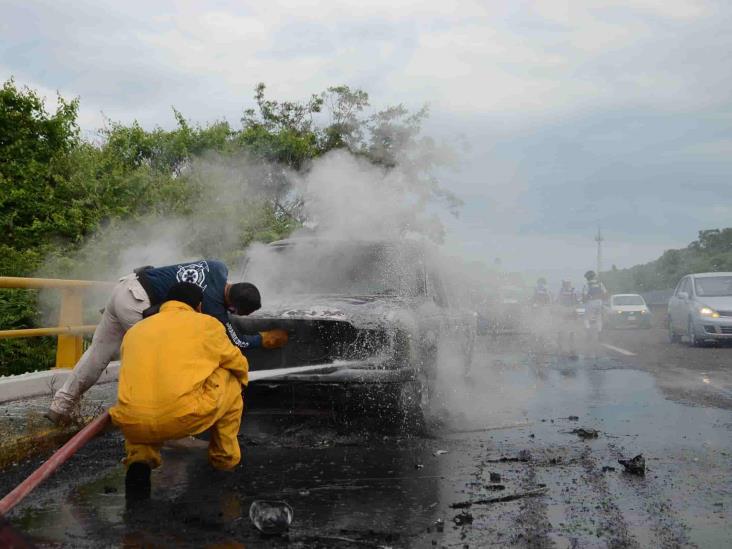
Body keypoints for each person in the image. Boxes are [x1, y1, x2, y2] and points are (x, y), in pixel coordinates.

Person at [46, 259, 287, 425]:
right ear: (233, 306)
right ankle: (164, 424)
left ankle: (60, 407)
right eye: (238, 313)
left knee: (97, 356)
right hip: (138, 304)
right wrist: (262, 340)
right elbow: (234, 343)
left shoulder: (218, 266)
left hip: (125, 287)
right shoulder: (213, 306)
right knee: (161, 363)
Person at [110, 282, 248, 500]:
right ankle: (224, 460)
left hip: (132, 423)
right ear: (199, 306)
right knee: (232, 377)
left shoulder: (135, 330)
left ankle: (139, 459)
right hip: (183, 417)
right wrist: (243, 378)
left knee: (142, 393)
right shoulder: (206, 324)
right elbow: (236, 361)